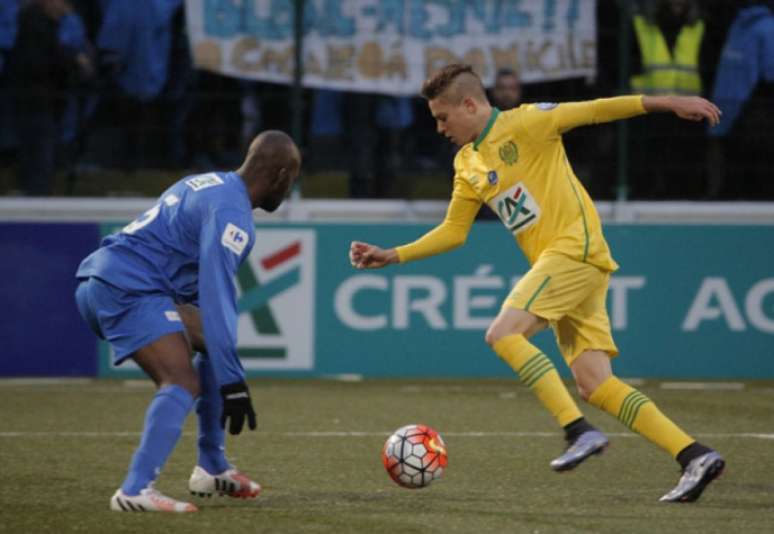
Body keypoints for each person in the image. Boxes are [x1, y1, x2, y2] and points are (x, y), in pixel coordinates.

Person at [349, 64, 725, 503]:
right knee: (595, 384)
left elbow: (599, 109)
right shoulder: (467, 163)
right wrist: (394, 255)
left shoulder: (527, 122)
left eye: (443, 117)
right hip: (567, 265)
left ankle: (577, 430)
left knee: (503, 333)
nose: (438, 128)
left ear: (470, 104)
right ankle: (694, 455)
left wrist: (670, 102)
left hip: (574, 250)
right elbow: (454, 231)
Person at [74, 130, 301, 512]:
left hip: (108, 280)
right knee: (181, 379)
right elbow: (216, 297)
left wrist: (228, 369)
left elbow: (199, 300)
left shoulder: (207, 183)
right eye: (292, 179)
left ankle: (211, 466)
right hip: (128, 288)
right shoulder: (234, 216)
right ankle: (134, 489)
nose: (290, 188)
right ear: (279, 176)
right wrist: (234, 385)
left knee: (211, 343)